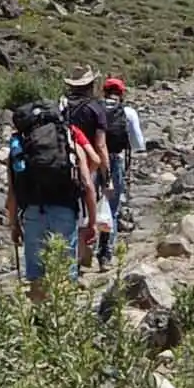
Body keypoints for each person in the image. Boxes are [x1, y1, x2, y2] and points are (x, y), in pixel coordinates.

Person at [6, 99, 96, 296]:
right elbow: (88, 185)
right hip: (65, 209)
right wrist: (92, 222)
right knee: (64, 272)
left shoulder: (20, 145)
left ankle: (41, 318)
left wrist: (14, 225)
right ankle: (63, 321)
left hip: (32, 212)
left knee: (37, 275)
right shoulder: (69, 141)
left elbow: (12, 192)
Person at [61, 73, 115, 272]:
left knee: (72, 211)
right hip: (88, 163)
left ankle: (72, 257)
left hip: (63, 163)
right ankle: (97, 255)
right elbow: (100, 145)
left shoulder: (61, 106)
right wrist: (106, 173)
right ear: (91, 85)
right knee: (94, 210)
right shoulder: (95, 108)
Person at [99, 77, 146, 238]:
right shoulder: (128, 112)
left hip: (92, 160)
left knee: (88, 206)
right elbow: (138, 143)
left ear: (104, 92)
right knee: (111, 208)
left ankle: (86, 250)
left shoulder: (94, 109)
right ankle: (106, 253)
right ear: (121, 94)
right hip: (114, 160)